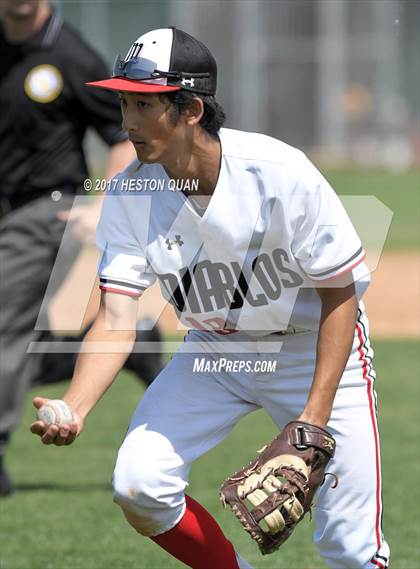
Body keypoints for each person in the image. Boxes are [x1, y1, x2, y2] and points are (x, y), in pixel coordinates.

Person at [30, 27, 390, 569]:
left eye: (144, 105)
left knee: (351, 549)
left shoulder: (279, 174)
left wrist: (313, 420)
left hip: (308, 352)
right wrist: (74, 408)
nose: (127, 122)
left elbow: (340, 297)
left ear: (191, 109)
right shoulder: (131, 192)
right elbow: (116, 316)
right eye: (123, 101)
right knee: (139, 483)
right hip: (214, 354)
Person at [0, 1, 163, 497]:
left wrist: (103, 204)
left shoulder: (69, 55)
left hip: (48, 211)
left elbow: (122, 135)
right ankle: (113, 348)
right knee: (18, 329)